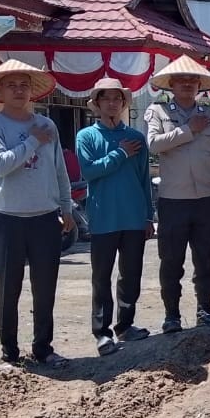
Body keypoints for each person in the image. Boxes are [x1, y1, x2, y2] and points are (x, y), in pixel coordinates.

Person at [0, 59, 73, 368]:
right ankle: (9, 353)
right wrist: (32, 140)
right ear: (0, 90)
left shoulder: (49, 125)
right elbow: (1, 166)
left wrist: (67, 206)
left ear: (33, 91)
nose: (18, 91)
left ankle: (43, 348)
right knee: (9, 289)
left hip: (45, 216)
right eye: (11, 85)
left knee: (45, 289)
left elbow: (59, 170)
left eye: (24, 85)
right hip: (8, 217)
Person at [145, 56, 210, 332]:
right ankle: (171, 315)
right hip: (173, 201)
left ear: (200, 86)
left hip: (206, 200)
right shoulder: (157, 112)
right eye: (181, 80)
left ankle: (205, 310)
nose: (187, 84)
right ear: (170, 85)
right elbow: (152, 145)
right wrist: (187, 130)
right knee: (171, 260)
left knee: (206, 259)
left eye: (192, 80)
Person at [75, 79, 155, 355]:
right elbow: (89, 171)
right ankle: (101, 332)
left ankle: (126, 325)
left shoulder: (137, 137)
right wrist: (120, 153)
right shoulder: (86, 137)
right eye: (106, 99)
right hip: (103, 217)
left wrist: (149, 215)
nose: (112, 103)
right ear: (96, 104)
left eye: (117, 99)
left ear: (123, 103)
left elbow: (145, 179)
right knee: (101, 276)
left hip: (134, 216)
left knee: (131, 274)